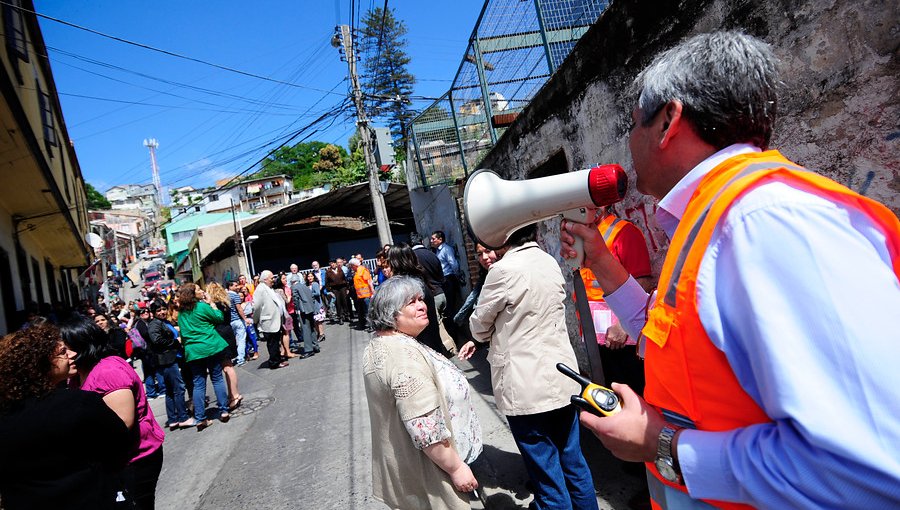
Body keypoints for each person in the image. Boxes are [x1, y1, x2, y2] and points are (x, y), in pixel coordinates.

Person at [558, 31, 900, 508]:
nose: (629, 141)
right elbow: (669, 332)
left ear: (668, 121)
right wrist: (599, 258)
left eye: (635, 123)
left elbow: (868, 469)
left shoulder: (762, 222)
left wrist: (659, 445)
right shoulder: (718, 217)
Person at [461, 225, 599, 510]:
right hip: (563, 378)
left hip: (525, 387)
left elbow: (478, 325)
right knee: (573, 461)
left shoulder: (503, 271)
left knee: (546, 474)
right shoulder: (548, 260)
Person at [363, 276, 482, 510]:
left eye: (420, 299)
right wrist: (456, 468)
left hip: (411, 468)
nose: (422, 305)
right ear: (391, 313)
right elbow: (426, 428)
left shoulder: (381, 343)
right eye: (411, 302)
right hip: (430, 472)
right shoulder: (404, 358)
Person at [0, 325, 131, 510]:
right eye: (62, 352)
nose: (71, 354)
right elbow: (119, 442)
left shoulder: (6, 414)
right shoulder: (78, 403)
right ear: (41, 362)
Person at [60, 317, 166, 510]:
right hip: (114, 462)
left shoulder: (107, 371)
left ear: (84, 344)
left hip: (135, 459)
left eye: (67, 348)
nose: (65, 355)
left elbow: (121, 425)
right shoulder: (79, 373)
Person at [576, 208, 653, 397]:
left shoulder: (624, 232)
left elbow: (642, 282)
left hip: (623, 340)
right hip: (597, 337)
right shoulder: (579, 235)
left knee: (632, 394)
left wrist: (622, 327)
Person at [175, 283, 230, 429]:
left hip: (194, 351)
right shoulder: (202, 307)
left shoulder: (181, 313)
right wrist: (211, 303)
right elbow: (219, 318)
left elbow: (183, 333)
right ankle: (224, 410)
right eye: (199, 290)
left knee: (198, 383)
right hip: (210, 346)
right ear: (193, 294)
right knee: (217, 378)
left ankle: (200, 418)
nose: (202, 291)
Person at [385, 244, 452, 357]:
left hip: (423, 346)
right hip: (430, 342)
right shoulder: (418, 280)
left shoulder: (407, 287)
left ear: (394, 262)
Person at [144, 302, 190, 430]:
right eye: (158, 310)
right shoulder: (155, 324)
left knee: (170, 390)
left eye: (164, 309)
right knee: (179, 388)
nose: (162, 312)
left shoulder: (162, 322)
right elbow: (156, 340)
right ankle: (183, 417)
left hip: (169, 359)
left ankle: (173, 419)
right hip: (167, 360)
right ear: (153, 312)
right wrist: (175, 342)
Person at [206, 283, 244, 411]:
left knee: (227, 367)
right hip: (228, 333)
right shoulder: (225, 303)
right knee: (228, 366)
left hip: (220, 335)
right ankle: (233, 394)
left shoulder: (214, 306)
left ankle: (234, 395)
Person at [253, 270, 289, 370]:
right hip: (268, 322)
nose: (273, 280)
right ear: (265, 279)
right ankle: (274, 363)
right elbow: (256, 307)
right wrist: (255, 320)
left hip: (275, 321)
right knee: (272, 343)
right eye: (271, 278)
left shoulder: (268, 288)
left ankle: (277, 358)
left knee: (275, 341)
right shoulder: (260, 289)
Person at [292, 270, 320, 358]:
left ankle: (308, 349)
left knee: (305, 329)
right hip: (310, 309)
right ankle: (315, 345)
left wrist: (297, 309)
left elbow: (295, 299)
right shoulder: (304, 286)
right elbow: (311, 296)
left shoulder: (294, 287)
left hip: (303, 310)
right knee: (311, 327)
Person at [226, 279, 253, 366]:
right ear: (230, 286)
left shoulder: (225, 296)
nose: (237, 287)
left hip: (229, 321)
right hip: (237, 320)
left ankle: (233, 357)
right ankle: (241, 359)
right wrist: (245, 319)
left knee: (233, 340)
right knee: (241, 340)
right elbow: (239, 308)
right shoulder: (235, 296)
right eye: (235, 285)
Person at [350, 258, 375, 331]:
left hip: (366, 296)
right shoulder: (357, 272)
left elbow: (369, 281)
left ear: (354, 265)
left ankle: (371, 326)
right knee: (361, 312)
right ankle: (363, 324)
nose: (351, 268)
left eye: (351, 266)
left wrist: (372, 292)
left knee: (368, 311)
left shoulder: (363, 270)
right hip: (360, 296)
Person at [325, 259, 351, 324]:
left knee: (345, 301)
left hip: (343, 287)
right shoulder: (328, 272)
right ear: (330, 264)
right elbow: (327, 282)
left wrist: (347, 288)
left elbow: (344, 278)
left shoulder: (340, 269)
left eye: (334, 263)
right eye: (331, 263)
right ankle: (340, 317)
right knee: (338, 303)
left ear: (336, 264)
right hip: (334, 288)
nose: (333, 264)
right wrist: (329, 291)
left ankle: (347, 316)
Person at [306, 271, 327, 343]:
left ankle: (321, 334)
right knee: (315, 321)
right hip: (312, 306)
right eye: (308, 276)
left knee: (319, 321)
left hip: (317, 305)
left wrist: (309, 294)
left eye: (311, 276)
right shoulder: (307, 285)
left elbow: (317, 293)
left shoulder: (315, 284)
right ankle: (318, 333)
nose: (310, 278)